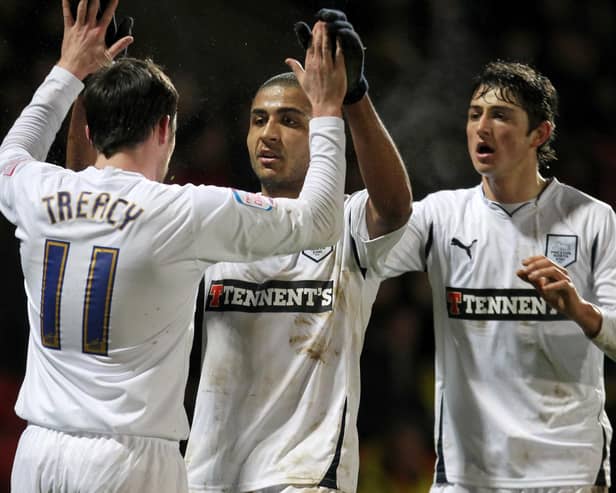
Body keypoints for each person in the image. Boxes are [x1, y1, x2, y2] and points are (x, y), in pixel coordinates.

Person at [0, 1, 349, 491]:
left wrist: (68, 69)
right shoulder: (181, 211)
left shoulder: (33, 189)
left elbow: (12, 151)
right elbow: (319, 220)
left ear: (88, 128)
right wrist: (329, 110)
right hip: (128, 459)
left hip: (36, 453)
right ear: (164, 129)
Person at [183, 10, 412, 493]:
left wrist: (353, 100)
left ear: (323, 133)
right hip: (209, 475)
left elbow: (393, 208)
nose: (268, 133)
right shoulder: (219, 222)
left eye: (290, 120)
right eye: (258, 120)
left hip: (305, 477)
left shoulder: (348, 221)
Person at [380, 60, 616, 491]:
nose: (482, 127)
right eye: (475, 114)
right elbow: (369, 240)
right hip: (467, 477)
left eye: (500, 115)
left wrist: (581, 312)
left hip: (568, 474)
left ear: (539, 134)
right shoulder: (440, 215)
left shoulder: (594, 219)